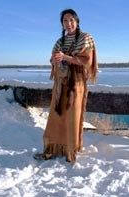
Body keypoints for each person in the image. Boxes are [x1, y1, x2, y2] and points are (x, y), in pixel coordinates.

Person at [34, 9, 98, 163]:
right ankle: (52, 149)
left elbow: (86, 60)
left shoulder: (85, 38)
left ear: (77, 21)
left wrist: (65, 57)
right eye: (65, 21)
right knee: (56, 115)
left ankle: (70, 150)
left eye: (71, 20)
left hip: (76, 82)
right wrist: (56, 60)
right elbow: (53, 59)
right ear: (61, 24)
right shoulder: (59, 41)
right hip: (60, 82)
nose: (68, 24)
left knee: (72, 115)